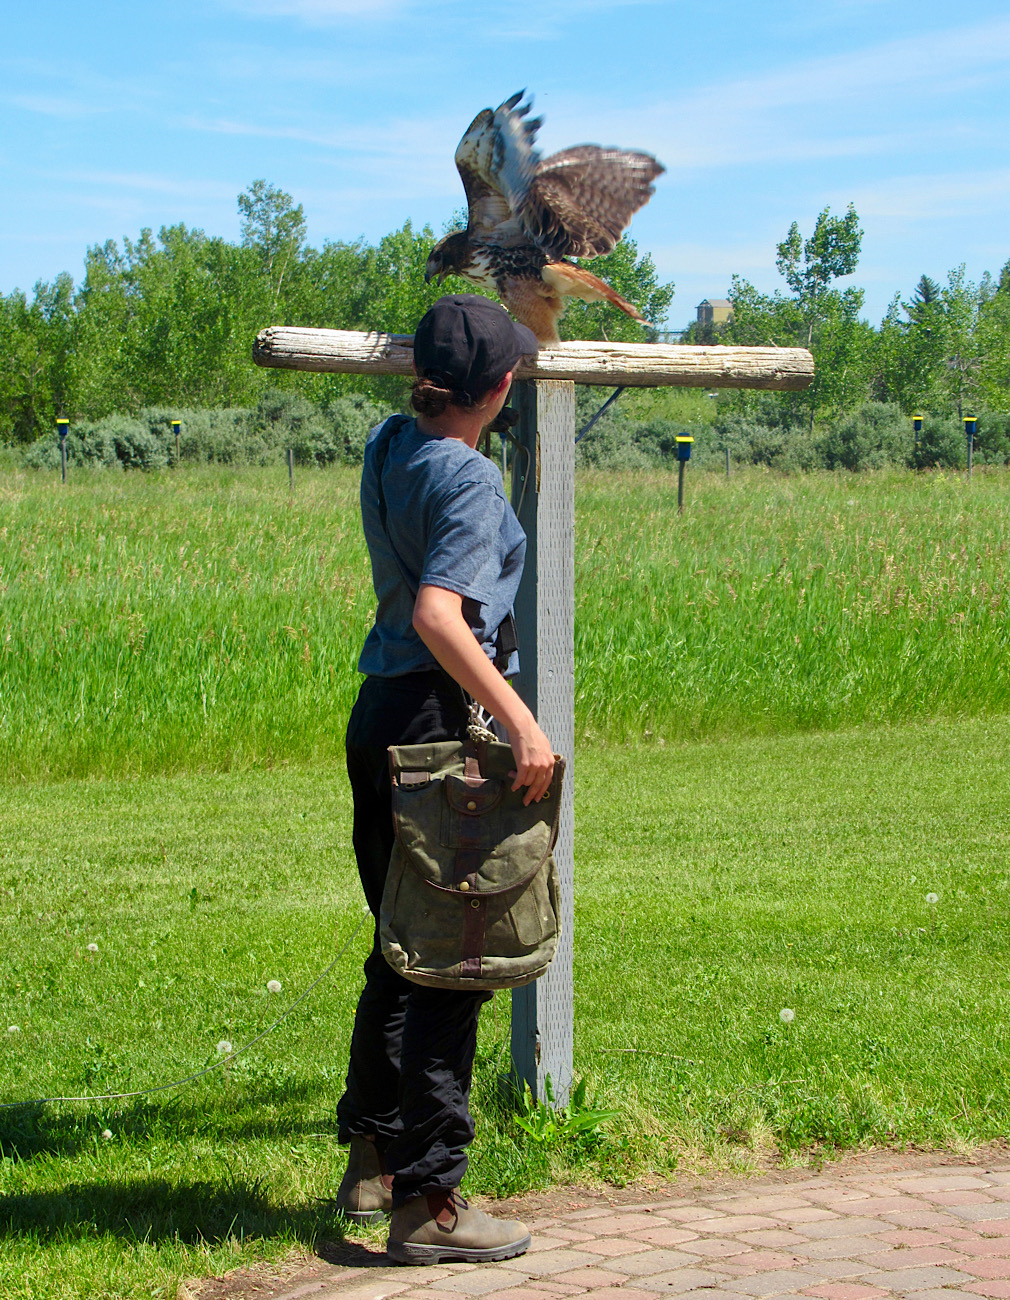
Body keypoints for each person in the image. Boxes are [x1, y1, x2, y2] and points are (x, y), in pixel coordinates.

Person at [334, 294, 556, 1265]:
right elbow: (438, 613)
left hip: (377, 714)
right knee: (454, 961)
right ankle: (430, 1205)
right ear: (501, 388)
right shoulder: (466, 477)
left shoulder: (388, 444)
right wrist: (518, 720)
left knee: (398, 946)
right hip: (435, 730)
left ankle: (373, 1158)